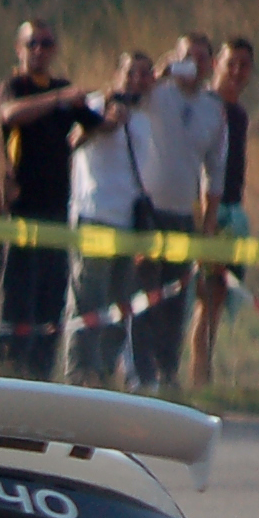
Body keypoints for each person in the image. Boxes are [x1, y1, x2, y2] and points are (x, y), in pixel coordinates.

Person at [120, 30, 224, 387]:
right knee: (143, 295)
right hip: (147, 211)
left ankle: (167, 371)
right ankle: (139, 373)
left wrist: (207, 224)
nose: (193, 64)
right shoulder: (156, 95)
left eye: (200, 57)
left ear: (210, 64)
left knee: (174, 299)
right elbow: (127, 99)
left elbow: (215, 171)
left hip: (182, 215)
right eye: (186, 56)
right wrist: (160, 72)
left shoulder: (213, 109)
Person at [0, 17, 93, 379]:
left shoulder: (63, 89)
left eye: (46, 44)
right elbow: (10, 114)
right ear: (19, 49)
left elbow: (93, 121)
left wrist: (110, 110)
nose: (39, 50)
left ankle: (41, 370)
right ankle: (8, 367)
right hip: (22, 209)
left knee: (51, 295)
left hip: (57, 209)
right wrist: (58, 100)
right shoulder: (15, 86)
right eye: (31, 43)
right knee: (17, 294)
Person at [68, 49, 159, 386]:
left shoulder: (145, 119)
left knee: (120, 304)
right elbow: (72, 141)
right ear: (117, 74)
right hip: (96, 214)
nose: (136, 80)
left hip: (128, 221)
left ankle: (105, 371)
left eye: (144, 73)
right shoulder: (95, 104)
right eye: (130, 72)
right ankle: (81, 371)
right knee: (88, 300)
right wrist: (103, 124)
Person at [188, 36, 256, 388]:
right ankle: (190, 373)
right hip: (200, 209)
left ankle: (203, 374)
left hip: (231, 211)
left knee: (216, 297)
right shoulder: (203, 105)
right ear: (217, 65)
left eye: (244, 66)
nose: (237, 72)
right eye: (231, 64)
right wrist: (203, 218)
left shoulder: (239, 114)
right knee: (196, 294)